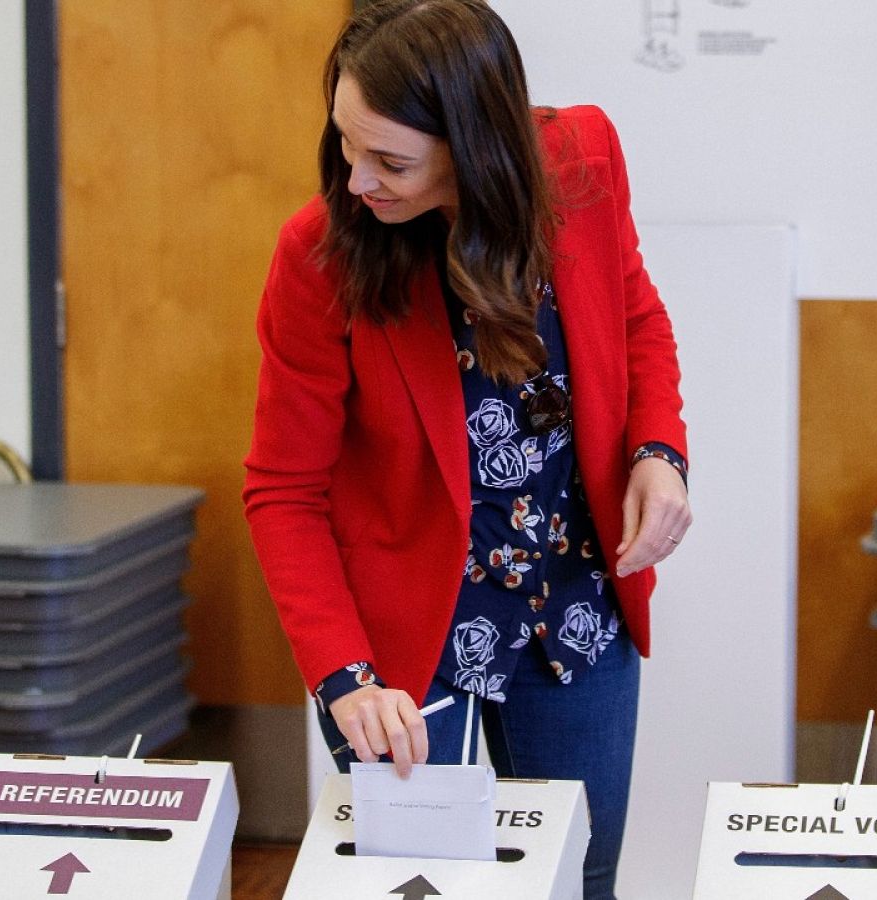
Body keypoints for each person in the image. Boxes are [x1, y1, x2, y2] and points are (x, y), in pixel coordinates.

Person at [242, 1, 690, 896]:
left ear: (474, 144)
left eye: (392, 161)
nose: (358, 179)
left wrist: (658, 452)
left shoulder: (585, 158)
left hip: (570, 599)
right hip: (401, 644)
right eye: (344, 144)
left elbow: (635, 315)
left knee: (581, 870)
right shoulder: (321, 253)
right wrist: (345, 677)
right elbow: (283, 491)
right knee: (420, 882)